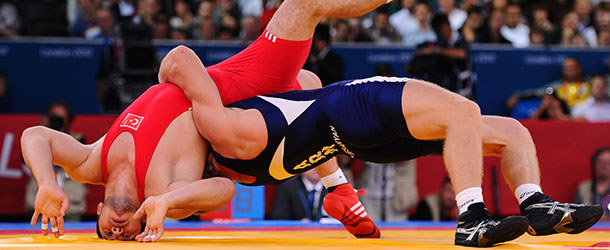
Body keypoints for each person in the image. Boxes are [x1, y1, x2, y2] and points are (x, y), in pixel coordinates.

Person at [157, 45, 603, 247]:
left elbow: (312, 144)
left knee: (511, 131)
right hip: (353, 106)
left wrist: (341, 194)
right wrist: (174, 93)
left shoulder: (258, 168)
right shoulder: (232, 134)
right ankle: (472, 217)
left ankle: (536, 204)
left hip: (367, 139)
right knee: (463, 111)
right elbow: (179, 59)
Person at [22, 0, 391, 243]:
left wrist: (46, 183)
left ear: (98, 211)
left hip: (229, 87)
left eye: (109, 236)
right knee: (302, 5)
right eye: (129, 237)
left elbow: (36, 135)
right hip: (233, 98)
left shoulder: (92, 162)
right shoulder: (160, 191)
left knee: (309, 84)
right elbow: (223, 191)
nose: (119, 233)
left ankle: (337, 188)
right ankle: (339, 189)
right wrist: (167, 203)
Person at [574, 147, 610, 221]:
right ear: (594, 164)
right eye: (601, 162)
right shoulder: (583, 188)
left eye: (608, 162)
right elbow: (575, 214)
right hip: (590, 230)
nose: (604, 166)